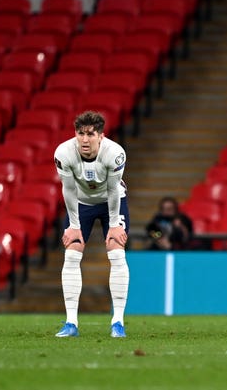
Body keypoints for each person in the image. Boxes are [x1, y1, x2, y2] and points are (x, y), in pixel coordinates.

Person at [53, 111, 130, 338]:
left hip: (111, 203)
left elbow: (114, 190)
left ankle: (118, 322)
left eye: (90, 134)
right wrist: (74, 226)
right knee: (72, 254)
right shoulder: (63, 153)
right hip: (81, 203)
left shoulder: (115, 153)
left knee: (117, 252)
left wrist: (115, 224)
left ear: (101, 136)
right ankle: (71, 323)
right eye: (80, 133)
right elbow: (67, 189)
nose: (84, 140)